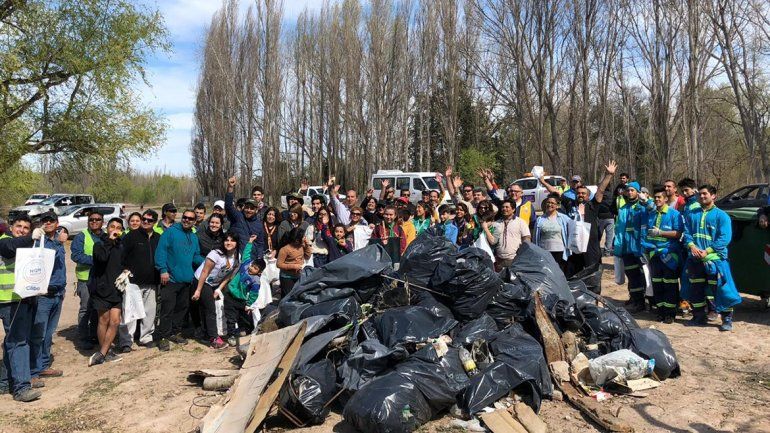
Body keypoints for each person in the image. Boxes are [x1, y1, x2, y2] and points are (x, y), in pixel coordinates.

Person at [539, 161, 616, 284]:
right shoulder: (570, 204)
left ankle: (595, 298)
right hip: (574, 247)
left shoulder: (592, 206)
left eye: (583, 193)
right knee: (572, 276)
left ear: (588, 196)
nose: (580, 195)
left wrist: (609, 175)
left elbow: (600, 191)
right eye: (578, 193)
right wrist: (543, 182)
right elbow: (556, 192)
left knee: (593, 274)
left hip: (591, 246)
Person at [682, 185, 741, 331]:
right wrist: (691, 246)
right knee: (695, 288)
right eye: (700, 194)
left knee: (721, 290)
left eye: (705, 194)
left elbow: (724, 238)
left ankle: (726, 319)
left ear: (713, 196)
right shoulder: (692, 214)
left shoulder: (722, 216)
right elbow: (687, 232)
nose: (702, 197)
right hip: (695, 259)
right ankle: (698, 316)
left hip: (715, 261)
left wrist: (707, 251)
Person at [0, 215, 41, 402]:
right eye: (19, 226)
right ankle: (21, 387)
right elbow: (10, 249)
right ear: (11, 226)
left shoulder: (26, 244)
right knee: (18, 342)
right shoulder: (4, 241)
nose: (22, 230)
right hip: (8, 299)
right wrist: (31, 236)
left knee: (12, 341)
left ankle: (4, 383)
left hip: (20, 299)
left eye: (26, 227)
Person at [154, 209, 204, 351]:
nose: (187, 220)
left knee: (182, 308)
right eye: (185, 217)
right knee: (167, 309)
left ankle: (175, 332)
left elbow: (195, 256)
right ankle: (163, 336)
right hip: (170, 279)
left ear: (195, 221)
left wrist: (208, 262)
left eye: (190, 219)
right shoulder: (170, 232)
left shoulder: (194, 237)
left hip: (186, 279)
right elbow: (161, 251)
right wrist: (163, 269)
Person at [30, 211, 68, 380]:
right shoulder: (38, 241)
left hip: (58, 293)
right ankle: (33, 369)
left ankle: (43, 365)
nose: (48, 223)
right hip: (43, 294)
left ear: (57, 222)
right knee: (38, 333)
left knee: (48, 333)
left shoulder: (59, 240)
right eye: (45, 221)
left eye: (51, 220)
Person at [119, 209, 160, 350]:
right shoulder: (131, 236)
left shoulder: (158, 237)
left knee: (149, 312)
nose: (145, 222)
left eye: (149, 220)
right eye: (144, 219)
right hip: (133, 282)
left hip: (152, 281)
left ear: (154, 222)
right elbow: (121, 255)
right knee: (129, 313)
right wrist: (124, 269)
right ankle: (126, 341)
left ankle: (146, 337)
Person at [641, 186, 683, 324]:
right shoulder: (651, 214)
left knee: (670, 284)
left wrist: (661, 233)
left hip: (669, 254)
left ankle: (671, 313)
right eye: (656, 197)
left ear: (666, 199)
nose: (657, 199)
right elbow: (647, 233)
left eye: (660, 197)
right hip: (654, 254)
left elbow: (678, 234)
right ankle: (661, 311)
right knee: (657, 283)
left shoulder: (674, 214)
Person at [87, 218, 126, 366]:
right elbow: (102, 258)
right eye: (112, 227)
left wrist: (127, 270)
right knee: (103, 320)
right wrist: (109, 241)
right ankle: (106, 352)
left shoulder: (121, 246)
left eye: (118, 227)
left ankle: (103, 352)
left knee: (115, 321)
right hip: (101, 288)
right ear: (107, 228)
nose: (115, 230)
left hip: (116, 288)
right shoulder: (99, 244)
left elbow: (124, 262)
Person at [193, 233, 240, 349]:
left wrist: (219, 289)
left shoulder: (237, 256)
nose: (229, 243)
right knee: (210, 309)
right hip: (202, 281)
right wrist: (198, 290)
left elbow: (230, 276)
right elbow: (204, 272)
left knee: (206, 308)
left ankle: (205, 333)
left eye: (232, 240)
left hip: (215, 284)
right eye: (226, 240)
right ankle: (214, 339)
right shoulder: (215, 254)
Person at [613, 181, 653, 312]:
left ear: (637, 192)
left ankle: (648, 302)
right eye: (628, 190)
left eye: (632, 190)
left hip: (640, 247)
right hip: (626, 247)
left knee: (644, 275)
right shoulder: (623, 208)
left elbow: (652, 210)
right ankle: (636, 301)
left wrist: (646, 201)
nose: (630, 192)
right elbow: (619, 229)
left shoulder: (642, 206)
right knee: (631, 275)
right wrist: (618, 246)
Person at [218, 239, 264, 346]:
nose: (252, 268)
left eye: (255, 268)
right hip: (230, 295)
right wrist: (250, 243)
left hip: (241, 300)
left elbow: (254, 294)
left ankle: (248, 332)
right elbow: (246, 254)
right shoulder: (245, 265)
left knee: (244, 317)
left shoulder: (256, 281)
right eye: (252, 265)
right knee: (231, 318)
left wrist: (248, 304)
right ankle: (232, 336)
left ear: (259, 272)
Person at [70, 210, 104, 349]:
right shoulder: (81, 236)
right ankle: (84, 338)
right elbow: (76, 255)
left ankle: (95, 335)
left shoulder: (105, 236)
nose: (94, 222)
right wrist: (96, 260)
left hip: (101, 279)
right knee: (86, 309)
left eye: (97, 219)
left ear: (102, 222)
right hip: (85, 279)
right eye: (91, 220)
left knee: (98, 308)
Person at [482, 199, 531, 271]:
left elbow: (527, 239)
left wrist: (523, 254)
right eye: (503, 207)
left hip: (515, 259)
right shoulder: (496, 223)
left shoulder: (521, 222)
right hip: (499, 260)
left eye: (507, 207)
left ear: (513, 209)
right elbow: (492, 241)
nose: (504, 209)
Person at [225, 176, 266, 260]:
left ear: (256, 209)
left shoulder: (259, 225)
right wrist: (230, 187)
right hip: (235, 257)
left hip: (250, 259)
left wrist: (259, 258)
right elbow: (228, 206)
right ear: (244, 207)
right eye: (247, 207)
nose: (249, 210)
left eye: (252, 208)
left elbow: (260, 244)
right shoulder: (238, 216)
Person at [534, 196, 572, 272]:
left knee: (559, 273)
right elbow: (535, 237)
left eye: (552, 203)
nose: (549, 204)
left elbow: (572, 230)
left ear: (557, 205)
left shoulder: (564, 218)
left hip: (560, 252)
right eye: (548, 202)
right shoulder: (540, 219)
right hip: (545, 252)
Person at [277, 228, 312, 297]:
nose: (305, 238)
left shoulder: (302, 246)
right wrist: (294, 266)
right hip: (286, 277)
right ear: (297, 240)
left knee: (296, 296)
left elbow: (307, 257)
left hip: (298, 275)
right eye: (303, 237)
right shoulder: (285, 249)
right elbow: (279, 264)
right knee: (288, 296)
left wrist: (307, 246)